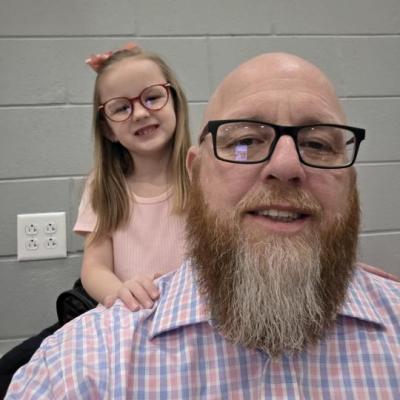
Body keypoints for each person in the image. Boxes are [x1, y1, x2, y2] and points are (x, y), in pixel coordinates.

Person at [6, 53, 399, 399]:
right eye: (246, 141)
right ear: (199, 173)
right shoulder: (81, 363)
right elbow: (95, 264)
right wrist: (124, 301)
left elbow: (259, 246)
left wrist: (325, 262)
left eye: (317, 144)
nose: (285, 166)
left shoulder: (187, 181)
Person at [1, 43, 191, 398]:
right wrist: (119, 292)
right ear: (107, 129)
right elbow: (95, 267)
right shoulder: (102, 186)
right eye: (121, 107)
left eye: (152, 97)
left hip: (183, 325)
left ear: (175, 102)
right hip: (120, 317)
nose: (140, 113)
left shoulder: (205, 176)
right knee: (9, 371)